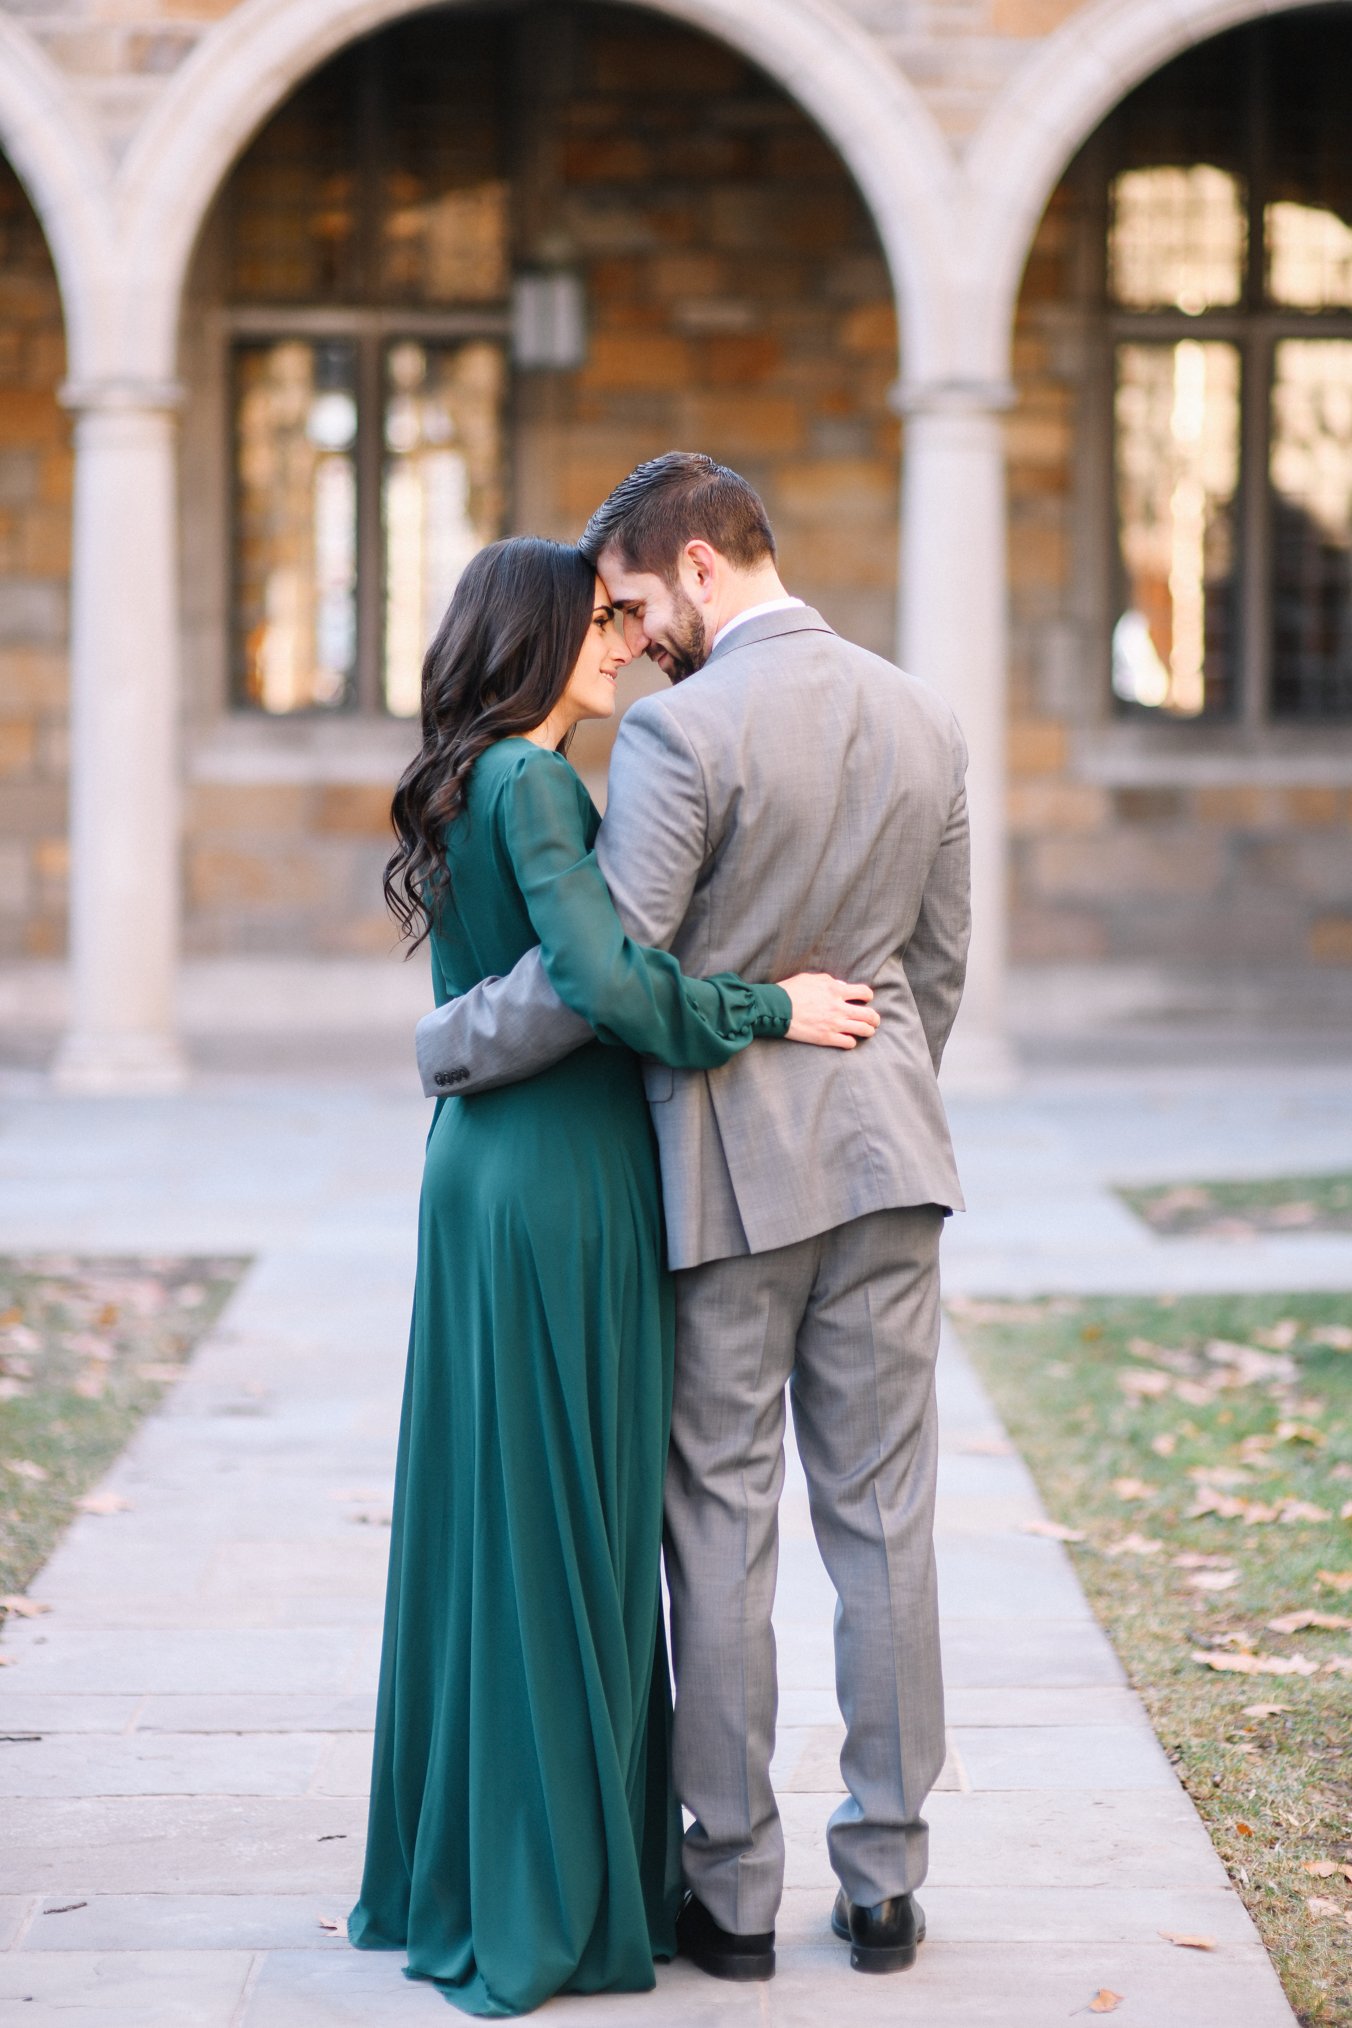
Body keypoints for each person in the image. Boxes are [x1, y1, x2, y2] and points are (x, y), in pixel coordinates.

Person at [414, 454, 971, 1983]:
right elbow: (940, 967)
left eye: (641, 601)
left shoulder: (677, 730)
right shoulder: (925, 712)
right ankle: (887, 1883)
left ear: (700, 569)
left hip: (729, 1174)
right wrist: (885, 1097)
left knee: (720, 1528)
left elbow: (609, 968)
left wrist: (450, 1041)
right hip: (889, 1156)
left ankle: (731, 1896)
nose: (638, 636)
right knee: (887, 1520)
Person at [347, 534, 876, 2017]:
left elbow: (526, 985)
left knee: (496, 1523)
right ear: (530, 632)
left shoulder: (473, 777)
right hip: (556, 1186)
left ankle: (475, 1866)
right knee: (560, 1532)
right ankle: (546, 1896)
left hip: (484, 1173)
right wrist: (773, 1002)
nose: (626, 643)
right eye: (598, 621)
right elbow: (603, 982)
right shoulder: (531, 781)